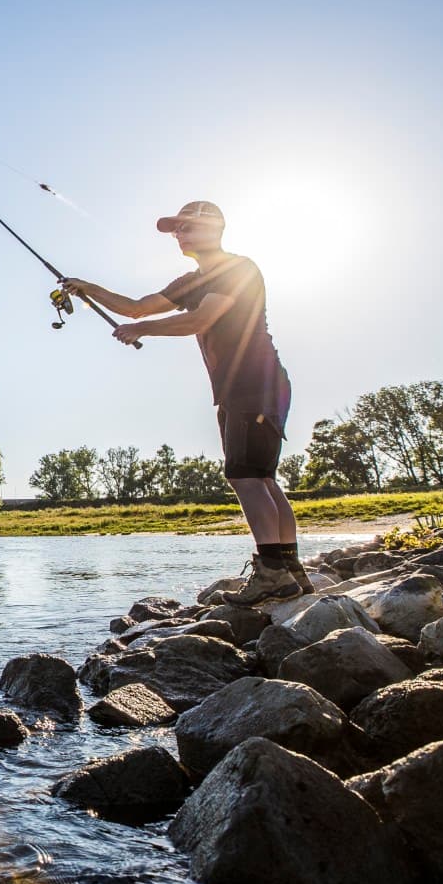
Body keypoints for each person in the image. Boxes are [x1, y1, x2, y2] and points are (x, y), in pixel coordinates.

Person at [62, 200, 311, 605]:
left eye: (187, 227)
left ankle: (272, 574)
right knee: (263, 479)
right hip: (247, 386)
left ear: (215, 228)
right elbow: (137, 307)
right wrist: (88, 288)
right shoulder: (192, 281)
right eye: (176, 229)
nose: (179, 234)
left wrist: (142, 330)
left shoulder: (237, 269)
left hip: (253, 382)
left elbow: (200, 320)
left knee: (245, 477)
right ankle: (290, 569)